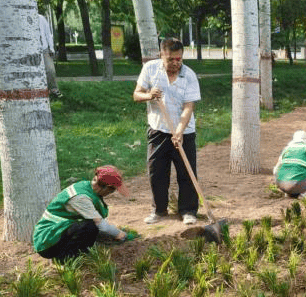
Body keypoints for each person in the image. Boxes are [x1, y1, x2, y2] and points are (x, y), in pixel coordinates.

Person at [133, 38, 201, 225]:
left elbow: (188, 107)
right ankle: (159, 210)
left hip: (184, 132)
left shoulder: (189, 75)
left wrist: (179, 131)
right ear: (162, 55)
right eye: (170, 59)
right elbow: (136, 94)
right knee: (157, 171)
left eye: (178, 59)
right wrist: (149, 96)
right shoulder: (150, 69)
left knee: (186, 172)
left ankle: (188, 211)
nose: (175, 63)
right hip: (158, 129)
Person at [33, 166, 136, 262]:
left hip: (56, 233)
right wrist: (120, 234)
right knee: (89, 227)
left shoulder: (89, 188)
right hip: (46, 241)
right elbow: (100, 225)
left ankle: (73, 253)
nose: (112, 193)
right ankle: (65, 259)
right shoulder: (81, 198)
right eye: (112, 190)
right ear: (105, 187)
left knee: (90, 227)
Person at [273, 130, 306, 198]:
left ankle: (289, 193)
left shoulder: (285, 149)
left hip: (281, 185)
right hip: (296, 185)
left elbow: (275, 170)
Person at [38, 14, 62, 98]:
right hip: (31, 50)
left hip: (44, 49)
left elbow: (48, 34)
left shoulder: (41, 18)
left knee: (50, 70)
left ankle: (54, 89)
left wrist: (51, 48)